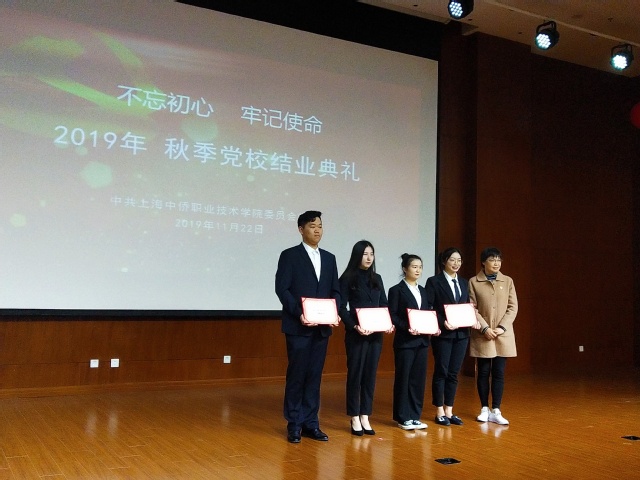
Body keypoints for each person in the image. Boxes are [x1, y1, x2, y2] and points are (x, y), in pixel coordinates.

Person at [275, 211, 341, 443]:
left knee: (314, 376)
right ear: (301, 229)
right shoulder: (289, 256)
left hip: (321, 329)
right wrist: (299, 313)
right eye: (312, 226)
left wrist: (334, 312)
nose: (317, 230)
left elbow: (336, 291)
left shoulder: (330, 258)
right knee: (297, 375)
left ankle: (311, 423)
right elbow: (282, 289)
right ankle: (294, 423)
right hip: (298, 327)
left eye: (320, 226)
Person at [338, 240, 394, 436]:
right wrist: (354, 326)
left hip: (376, 335)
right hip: (357, 334)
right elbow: (341, 307)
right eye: (365, 254)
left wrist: (388, 323)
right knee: (356, 374)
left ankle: (365, 415)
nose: (369, 258)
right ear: (357, 256)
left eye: (371, 254)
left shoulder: (377, 278)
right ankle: (354, 416)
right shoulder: (347, 278)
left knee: (370, 375)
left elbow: (384, 304)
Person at [469, 247, 518, 426]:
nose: (496, 263)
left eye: (498, 260)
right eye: (492, 259)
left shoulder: (508, 281)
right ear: (483, 262)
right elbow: (472, 308)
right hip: (483, 334)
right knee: (483, 372)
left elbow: (513, 307)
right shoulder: (474, 282)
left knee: (498, 372)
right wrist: (485, 328)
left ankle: (496, 409)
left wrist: (502, 327)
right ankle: (484, 408)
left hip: (502, 334)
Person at [425, 247, 474, 426]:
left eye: (459, 260)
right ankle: (439, 410)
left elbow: (465, 306)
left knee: (454, 373)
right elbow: (429, 307)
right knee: (442, 371)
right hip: (444, 334)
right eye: (452, 260)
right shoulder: (434, 282)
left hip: (462, 334)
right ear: (444, 261)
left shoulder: (463, 282)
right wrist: (442, 321)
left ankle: (449, 410)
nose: (456, 263)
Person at [388, 253, 430, 430]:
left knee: (418, 380)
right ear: (405, 269)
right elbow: (392, 315)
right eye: (414, 267)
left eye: (420, 267)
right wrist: (407, 327)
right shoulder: (396, 290)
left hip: (422, 341)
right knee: (403, 378)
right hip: (405, 341)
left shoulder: (424, 291)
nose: (418, 270)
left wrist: (433, 327)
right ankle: (403, 416)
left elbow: (427, 314)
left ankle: (415, 415)